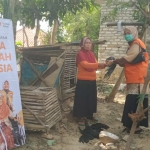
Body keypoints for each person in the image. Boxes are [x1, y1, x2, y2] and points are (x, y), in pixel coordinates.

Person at [106, 26, 149, 133]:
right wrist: (118, 62)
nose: (126, 35)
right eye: (125, 33)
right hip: (135, 78)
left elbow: (127, 59)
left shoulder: (136, 44)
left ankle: (135, 126)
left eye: (128, 33)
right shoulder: (133, 45)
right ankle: (131, 126)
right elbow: (129, 62)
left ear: (134, 33)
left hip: (138, 79)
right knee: (133, 101)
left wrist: (114, 61)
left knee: (134, 102)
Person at [73, 37, 107, 125]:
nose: (88, 44)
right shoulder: (80, 54)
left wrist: (105, 65)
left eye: (90, 43)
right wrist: (99, 64)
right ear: (82, 44)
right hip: (83, 81)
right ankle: (80, 117)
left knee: (90, 99)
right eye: (86, 43)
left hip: (92, 80)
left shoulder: (92, 54)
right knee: (82, 99)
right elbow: (86, 65)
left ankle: (89, 115)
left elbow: (95, 65)